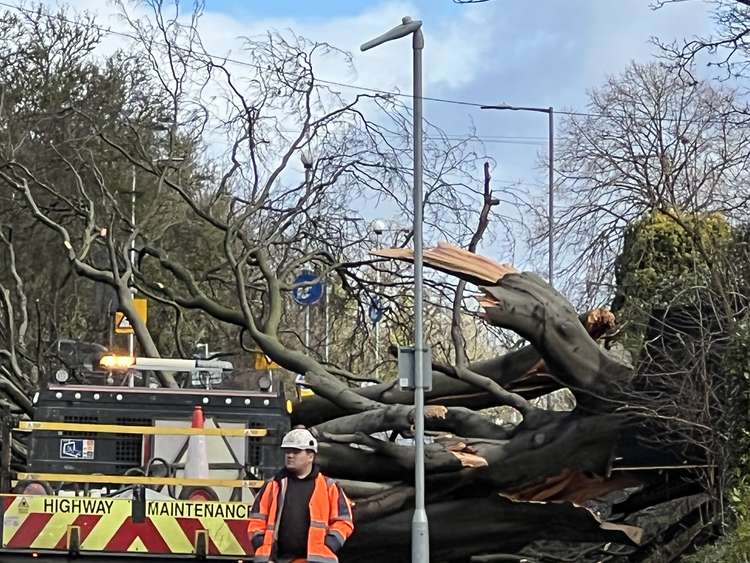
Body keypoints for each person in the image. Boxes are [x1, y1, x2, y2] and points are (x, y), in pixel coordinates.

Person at [248, 427, 354, 563]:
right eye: (287, 451)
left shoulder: (329, 487)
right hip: (276, 560)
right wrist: (262, 544)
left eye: (296, 451)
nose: (290, 455)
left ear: (311, 456)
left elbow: (344, 521)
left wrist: (329, 544)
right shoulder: (273, 485)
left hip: (317, 560)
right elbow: (257, 519)